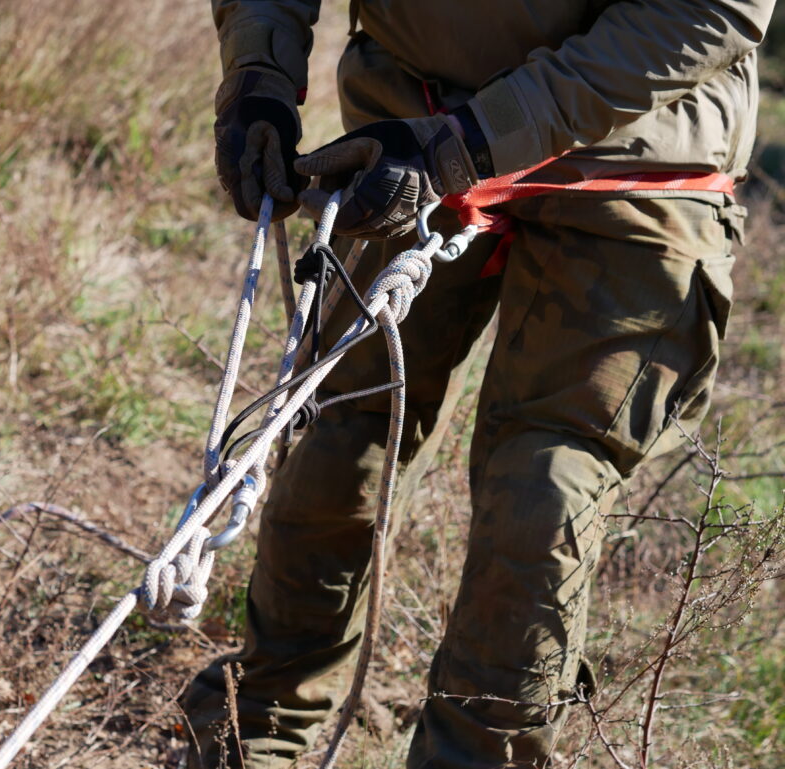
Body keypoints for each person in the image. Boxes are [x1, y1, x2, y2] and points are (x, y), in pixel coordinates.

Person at [183, 1, 773, 767]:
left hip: (638, 152)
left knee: (543, 494)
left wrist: (470, 143)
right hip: (407, 119)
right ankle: (255, 730)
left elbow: (705, 11)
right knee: (337, 433)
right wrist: (258, 71)